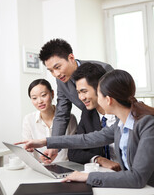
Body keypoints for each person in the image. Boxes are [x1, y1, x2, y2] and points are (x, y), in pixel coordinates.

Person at [17, 69, 154, 188]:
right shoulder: (120, 124)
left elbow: (137, 178)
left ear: (109, 99)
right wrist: (45, 141)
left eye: (98, 94)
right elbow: (86, 139)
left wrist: (87, 177)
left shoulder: (147, 124)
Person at [39, 39, 113, 158]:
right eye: (51, 71)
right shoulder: (61, 81)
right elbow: (62, 113)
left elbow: (120, 102)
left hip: (111, 119)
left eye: (57, 67)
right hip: (90, 120)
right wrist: (54, 145)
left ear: (71, 58)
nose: (56, 74)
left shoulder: (102, 69)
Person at [67, 63, 121, 171]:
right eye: (78, 92)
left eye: (84, 91)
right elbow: (73, 152)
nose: (81, 97)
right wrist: (99, 159)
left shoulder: (123, 113)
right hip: (105, 173)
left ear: (100, 88)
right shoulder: (88, 114)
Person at [22, 79, 77, 163]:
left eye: (43, 95)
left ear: (52, 93)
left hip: (65, 167)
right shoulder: (28, 119)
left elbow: (74, 146)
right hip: (41, 168)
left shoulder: (69, 118)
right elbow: (27, 152)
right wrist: (28, 150)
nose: (39, 101)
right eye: (34, 98)